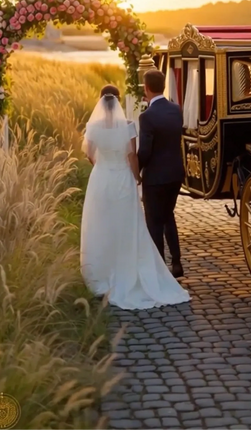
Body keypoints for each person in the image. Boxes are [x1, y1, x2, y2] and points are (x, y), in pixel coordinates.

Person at [80, 85, 190, 311]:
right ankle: (129, 268)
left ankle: (101, 271)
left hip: (101, 179)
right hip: (122, 179)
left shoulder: (92, 127)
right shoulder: (128, 126)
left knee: (101, 224)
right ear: (119, 101)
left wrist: (101, 165)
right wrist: (137, 177)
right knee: (127, 224)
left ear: (100, 102)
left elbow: (88, 153)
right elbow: (132, 156)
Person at [138, 69, 185, 278]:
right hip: (175, 173)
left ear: (146, 88)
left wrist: (136, 171)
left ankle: (159, 268)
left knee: (154, 221)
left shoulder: (147, 116)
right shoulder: (176, 110)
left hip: (156, 177)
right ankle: (176, 262)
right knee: (168, 217)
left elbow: (146, 151)